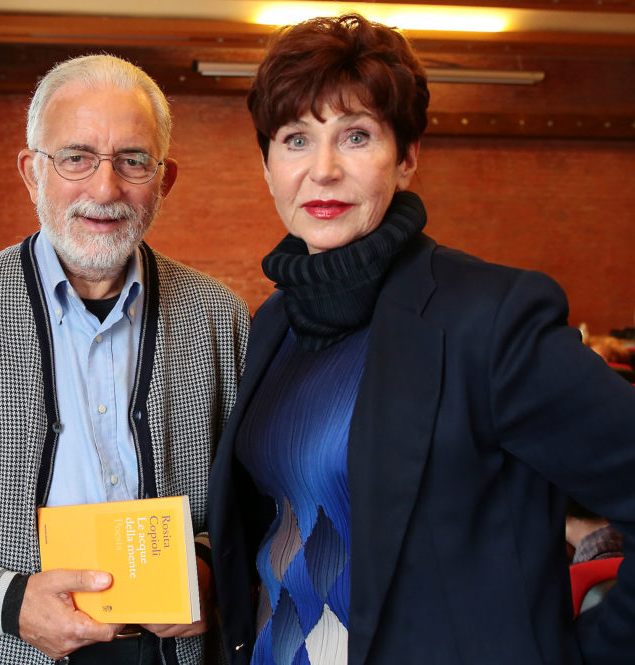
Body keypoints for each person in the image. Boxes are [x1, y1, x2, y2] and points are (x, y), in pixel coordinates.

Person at [207, 14, 635, 665]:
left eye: (355, 135)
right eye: (295, 139)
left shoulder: (489, 321)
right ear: (267, 167)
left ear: (406, 158)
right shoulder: (273, 324)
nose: (322, 170)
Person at [0, 54, 249, 665]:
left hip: (173, 654)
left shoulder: (219, 320)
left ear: (164, 179)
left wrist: (211, 570)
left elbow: (260, 492)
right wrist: (6, 601)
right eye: (75, 157)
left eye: (133, 161)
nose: (104, 189)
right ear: (32, 171)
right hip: (3, 646)